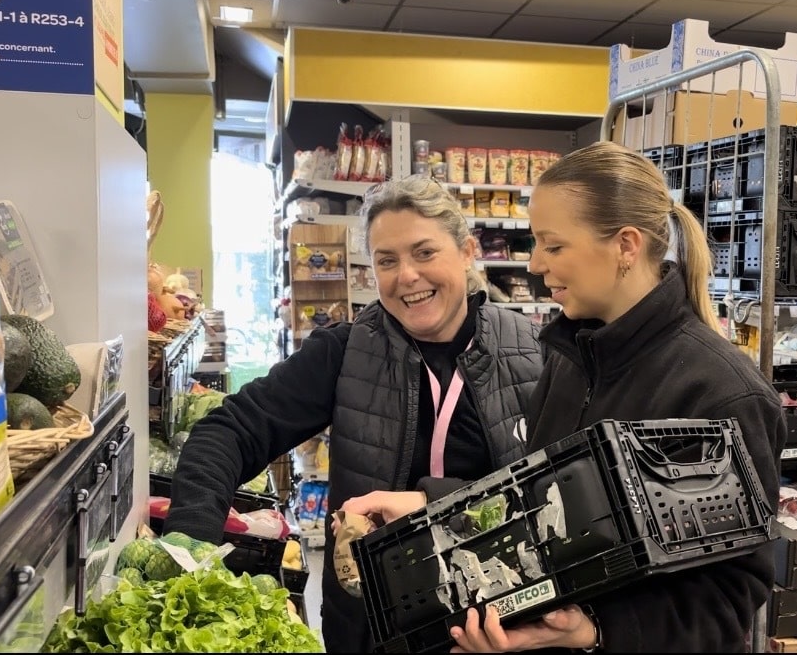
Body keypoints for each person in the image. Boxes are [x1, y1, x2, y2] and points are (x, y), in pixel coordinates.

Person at [162, 174, 544, 653]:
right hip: (371, 632)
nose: (407, 276)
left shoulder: (533, 353)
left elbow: (555, 489)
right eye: (387, 260)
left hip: (497, 629)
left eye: (424, 252)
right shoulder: (346, 354)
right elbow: (231, 429)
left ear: (467, 252)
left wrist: (435, 502)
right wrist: (191, 544)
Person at [448, 141, 786, 653]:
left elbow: (728, 597)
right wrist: (429, 502)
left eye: (553, 245)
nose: (536, 263)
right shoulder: (571, 357)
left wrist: (597, 631)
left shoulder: (719, 394)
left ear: (626, 245)